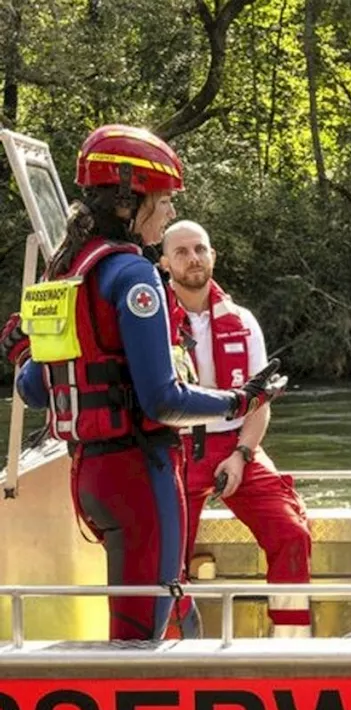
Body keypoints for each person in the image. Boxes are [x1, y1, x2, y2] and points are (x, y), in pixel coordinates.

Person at [0, 125, 287, 641]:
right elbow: (164, 398)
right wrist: (243, 399)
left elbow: (37, 389)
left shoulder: (67, 271)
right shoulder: (135, 277)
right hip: (139, 474)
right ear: (131, 202)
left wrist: (21, 352)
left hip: (90, 475)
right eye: (164, 201)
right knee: (141, 640)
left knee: (165, 615)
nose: (171, 212)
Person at [161, 220, 313, 638]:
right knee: (165, 560)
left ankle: (290, 643)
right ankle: (175, 651)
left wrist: (242, 455)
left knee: (291, 531)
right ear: (165, 262)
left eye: (200, 249)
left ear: (213, 256)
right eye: (181, 252)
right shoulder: (151, 321)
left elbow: (259, 403)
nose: (193, 258)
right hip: (174, 449)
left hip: (236, 445)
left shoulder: (243, 321)